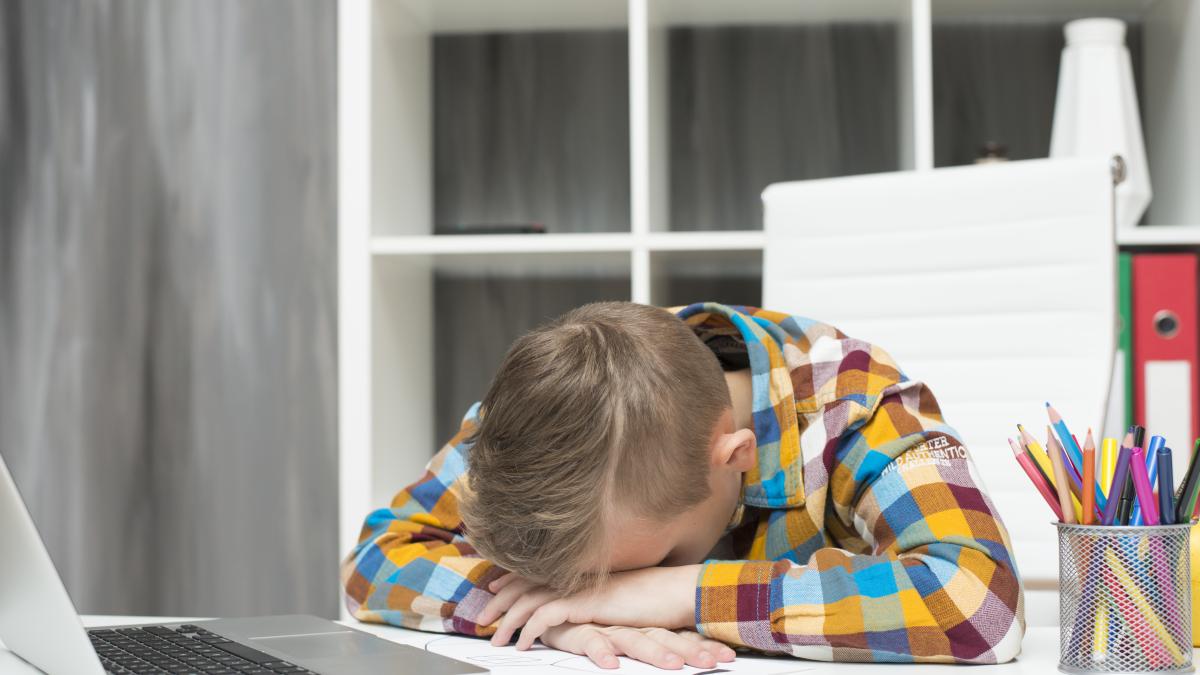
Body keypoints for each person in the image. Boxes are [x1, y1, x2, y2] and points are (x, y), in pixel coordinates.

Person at [341, 302, 1024, 669]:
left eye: (645, 563)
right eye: (582, 580)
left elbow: (978, 598)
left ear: (733, 457)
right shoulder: (552, 403)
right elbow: (373, 558)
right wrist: (554, 619)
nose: (600, 597)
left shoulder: (854, 404)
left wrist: (680, 590)